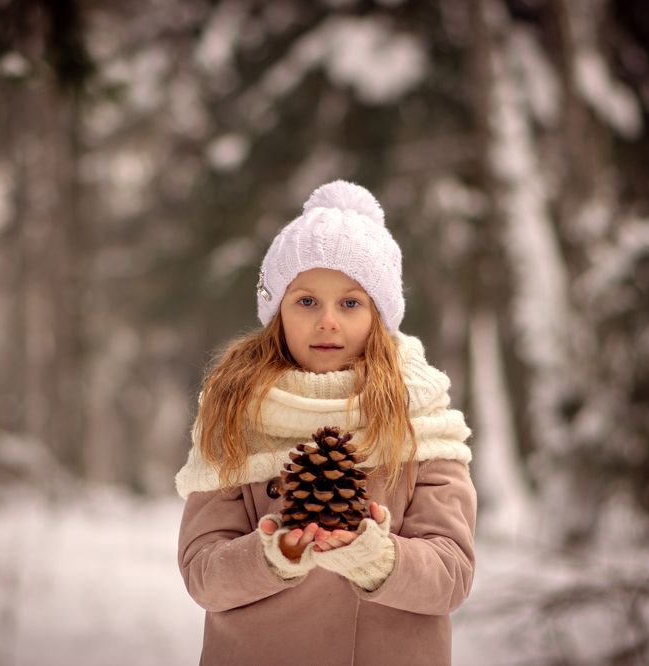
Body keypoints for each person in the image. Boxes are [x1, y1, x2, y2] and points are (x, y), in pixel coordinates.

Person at [175, 180, 476, 666]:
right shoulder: (234, 413)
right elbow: (203, 574)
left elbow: (451, 574)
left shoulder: (420, 416)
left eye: (351, 303)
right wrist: (273, 553)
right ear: (277, 311)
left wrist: (376, 558)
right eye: (307, 301)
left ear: (380, 315)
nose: (328, 321)